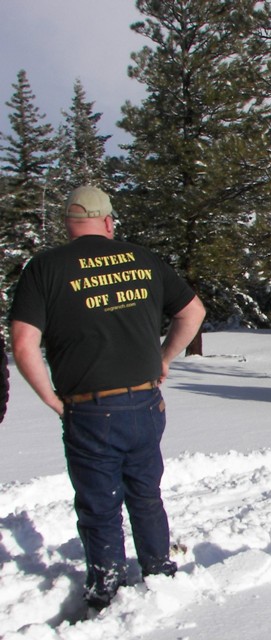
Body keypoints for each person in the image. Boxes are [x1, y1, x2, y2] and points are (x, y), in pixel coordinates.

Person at [9, 185, 205, 612]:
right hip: (146, 402)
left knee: (100, 506)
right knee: (146, 494)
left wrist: (52, 400)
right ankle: (158, 573)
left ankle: (106, 591)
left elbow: (24, 343)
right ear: (109, 222)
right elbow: (193, 312)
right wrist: (164, 359)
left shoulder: (45, 267)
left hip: (90, 407)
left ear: (68, 223)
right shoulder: (144, 260)